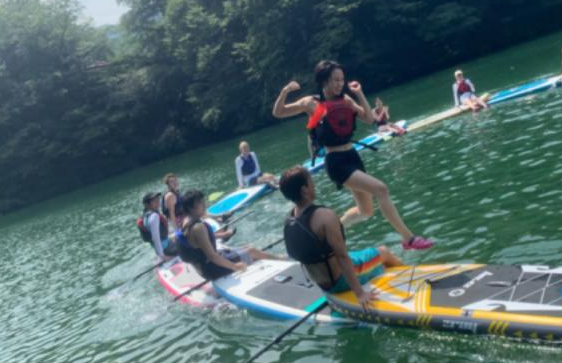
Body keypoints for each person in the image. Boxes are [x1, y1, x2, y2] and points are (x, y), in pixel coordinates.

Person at [272, 60, 433, 250]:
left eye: (342, 79)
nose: (340, 84)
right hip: (336, 162)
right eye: (335, 80)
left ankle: (332, 229)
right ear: (324, 81)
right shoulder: (312, 103)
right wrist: (285, 91)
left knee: (366, 211)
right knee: (381, 189)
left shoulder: (346, 100)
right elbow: (279, 112)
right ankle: (408, 239)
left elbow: (369, 118)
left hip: (353, 157)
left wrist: (359, 93)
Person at [280, 166, 403, 310]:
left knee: (367, 258)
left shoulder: (290, 220)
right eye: (310, 182)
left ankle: (379, 271)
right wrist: (360, 294)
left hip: (321, 282)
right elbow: (342, 257)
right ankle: (408, 279)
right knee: (384, 252)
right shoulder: (324, 216)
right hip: (340, 281)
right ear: (304, 189)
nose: (314, 185)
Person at [174, 190, 281, 280]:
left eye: (203, 202)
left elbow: (200, 243)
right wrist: (235, 267)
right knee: (251, 251)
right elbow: (212, 256)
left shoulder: (185, 222)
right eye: (201, 203)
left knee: (247, 248)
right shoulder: (198, 227)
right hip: (212, 269)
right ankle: (284, 260)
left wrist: (221, 223)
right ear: (191, 208)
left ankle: (278, 261)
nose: (205, 205)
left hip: (203, 268)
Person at [137, 191, 178, 261]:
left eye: (157, 199)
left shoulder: (145, 216)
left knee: (177, 236)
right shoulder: (154, 216)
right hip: (166, 249)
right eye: (154, 201)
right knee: (187, 241)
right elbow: (156, 238)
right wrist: (163, 256)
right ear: (147, 204)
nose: (157, 202)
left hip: (163, 246)